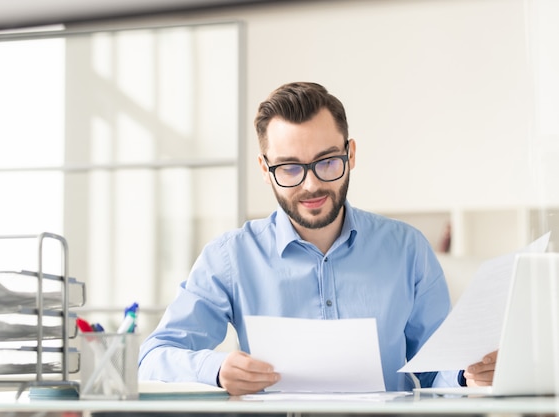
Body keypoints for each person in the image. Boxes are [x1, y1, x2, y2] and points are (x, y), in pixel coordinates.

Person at [138, 81, 496, 395]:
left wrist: (467, 375)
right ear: (265, 170)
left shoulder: (408, 250)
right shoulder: (229, 257)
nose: (311, 185)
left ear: (350, 154)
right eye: (289, 168)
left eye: (327, 162)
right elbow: (153, 358)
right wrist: (215, 370)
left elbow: (437, 371)